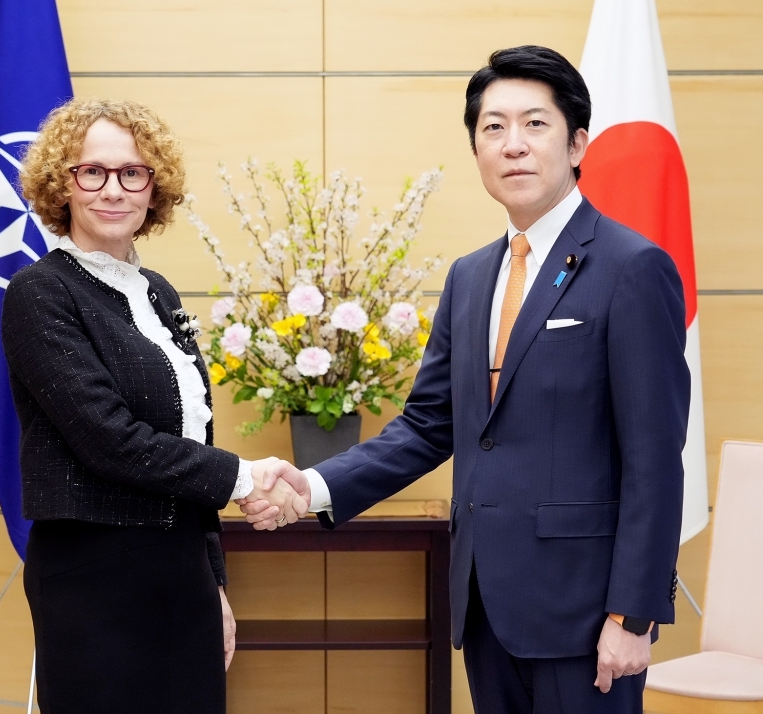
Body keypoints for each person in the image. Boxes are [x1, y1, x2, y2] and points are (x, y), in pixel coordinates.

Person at [240, 46, 689, 714]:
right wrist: (314, 487)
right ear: (476, 149)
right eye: (493, 127)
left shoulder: (632, 267)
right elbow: (428, 426)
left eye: (535, 124)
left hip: (586, 612)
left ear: (577, 145)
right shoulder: (471, 276)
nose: (513, 144)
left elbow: (654, 457)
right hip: (485, 604)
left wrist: (633, 614)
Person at [2, 97, 305, 714]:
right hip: (93, 578)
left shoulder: (157, 293)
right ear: (62, 184)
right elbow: (110, 440)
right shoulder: (40, 293)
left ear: (153, 187)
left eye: (132, 172)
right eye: (92, 171)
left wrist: (214, 581)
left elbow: (190, 445)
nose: (113, 189)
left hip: (181, 574)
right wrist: (246, 477)